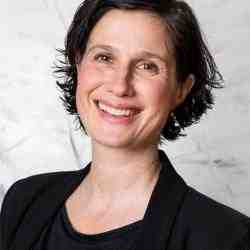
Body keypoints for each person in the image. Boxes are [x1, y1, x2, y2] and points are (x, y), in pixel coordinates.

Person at [0, 0, 249, 249]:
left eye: (147, 66)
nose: (120, 86)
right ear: (79, 63)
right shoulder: (24, 201)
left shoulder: (225, 238)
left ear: (181, 89)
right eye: (105, 57)